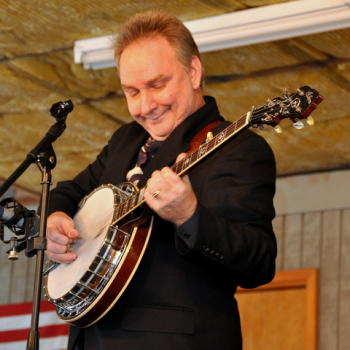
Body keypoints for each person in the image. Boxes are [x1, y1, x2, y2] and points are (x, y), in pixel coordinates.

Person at [46, 10, 277, 350]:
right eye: (132, 91)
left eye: (157, 85)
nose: (145, 105)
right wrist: (55, 218)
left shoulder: (239, 149)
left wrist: (189, 215)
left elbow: (259, 263)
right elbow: (70, 190)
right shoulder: (125, 140)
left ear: (193, 71)